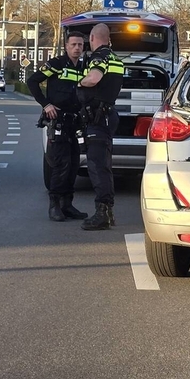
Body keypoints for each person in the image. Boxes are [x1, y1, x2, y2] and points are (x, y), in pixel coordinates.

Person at [27, 32, 87, 221]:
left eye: (80, 45)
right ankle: (54, 205)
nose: (77, 48)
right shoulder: (56, 64)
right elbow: (32, 81)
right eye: (73, 44)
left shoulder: (85, 67)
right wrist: (46, 104)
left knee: (74, 163)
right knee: (61, 164)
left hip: (74, 121)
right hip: (58, 120)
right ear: (66, 46)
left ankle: (67, 205)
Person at [77, 23, 125, 231]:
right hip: (107, 115)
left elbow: (94, 78)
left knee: (96, 166)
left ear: (92, 39)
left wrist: (78, 83)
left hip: (97, 118)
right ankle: (109, 211)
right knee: (105, 165)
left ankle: (102, 212)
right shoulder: (115, 58)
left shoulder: (100, 57)